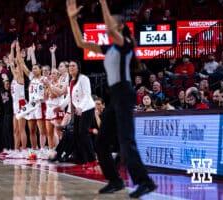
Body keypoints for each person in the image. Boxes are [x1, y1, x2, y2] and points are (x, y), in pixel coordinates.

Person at [66, 0, 157, 198]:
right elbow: (81, 42)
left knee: (126, 141)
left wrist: (103, 3)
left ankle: (145, 182)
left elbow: (109, 25)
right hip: (114, 96)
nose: (108, 29)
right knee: (100, 142)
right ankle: (115, 180)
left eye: (112, 26)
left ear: (121, 27)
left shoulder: (124, 46)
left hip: (124, 94)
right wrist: (72, 19)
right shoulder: (109, 50)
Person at [55, 60, 97, 167]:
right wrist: (61, 107)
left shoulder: (84, 79)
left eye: (73, 66)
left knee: (83, 133)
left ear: (78, 68)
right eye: (69, 66)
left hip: (87, 108)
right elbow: (70, 97)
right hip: (78, 110)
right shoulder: (71, 80)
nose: (71, 68)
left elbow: (87, 95)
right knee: (76, 134)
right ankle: (81, 158)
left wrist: (80, 107)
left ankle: (92, 159)